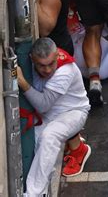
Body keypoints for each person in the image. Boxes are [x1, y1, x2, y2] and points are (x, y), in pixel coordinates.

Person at [17, 38, 91, 196]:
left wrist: (23, 83)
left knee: (49, 137)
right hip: (49, 115)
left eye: (51, 63)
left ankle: (34, 194)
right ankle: (43, 188)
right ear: (32, 59)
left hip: (74, 112)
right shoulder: (29, 63)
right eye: (41, 65)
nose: (48, 70)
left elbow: (43, 104)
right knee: (31, 141)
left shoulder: (66, 70)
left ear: (57, 55)